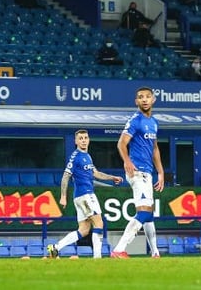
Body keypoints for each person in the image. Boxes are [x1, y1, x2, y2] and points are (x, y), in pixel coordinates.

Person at [47, 130, 123, 259]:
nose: (83, 140)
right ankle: (97, 258)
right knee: (99, 223)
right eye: (80, 138)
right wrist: (63, 196)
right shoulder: (75, 156)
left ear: (89, 140)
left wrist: (112, 177)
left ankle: (55, 248)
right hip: (85, 195)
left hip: (82, 197)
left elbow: (96, 174)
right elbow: (66, 176)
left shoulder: (87, 156)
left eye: (85, 138)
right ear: (76, 141)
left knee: (84, 229)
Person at [111, 87, 165, 258]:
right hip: (137, 172)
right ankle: (119, 249)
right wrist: (127, 161)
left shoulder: (154, 122)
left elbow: (155, 148)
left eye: (148, 97)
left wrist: (161, 172)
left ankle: (155, 253)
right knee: (143, 212)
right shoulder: (135, 120)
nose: (144, 100)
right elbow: (121, 143)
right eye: (141, 97)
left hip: (148, 173)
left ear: (153, 100)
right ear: (136, 102)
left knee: (148, 214)